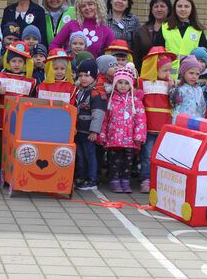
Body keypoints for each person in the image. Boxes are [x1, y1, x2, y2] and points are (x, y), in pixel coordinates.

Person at [102, 66, 146, 194]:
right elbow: (105, 119)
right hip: (114, 138)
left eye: (126, 83)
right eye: (120, 82)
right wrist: (103, 134)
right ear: (115, 83)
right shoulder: (111, 100)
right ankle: (115, 180)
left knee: (127, 161)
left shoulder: (135, 101)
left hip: (130, 139)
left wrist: (139, 135)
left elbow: (141, 118)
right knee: (114, 161)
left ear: (131, 84)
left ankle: (125, 180)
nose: (123, 86)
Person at [139, 47, 175, 192]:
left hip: (164, 127)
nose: (168, 74)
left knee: (162, 155)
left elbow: (176, 101)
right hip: (148, 127)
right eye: (165, 70)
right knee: (147, 155)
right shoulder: (143, 82)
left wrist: (172, 88)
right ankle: (146, 179)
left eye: (169, 71)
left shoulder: (170, 84)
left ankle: (159, 179)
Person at [49, 0, 115, 58]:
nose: (87, 8)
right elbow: (54, 45)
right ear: (79, 9)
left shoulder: (106, 31)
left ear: (97, 6)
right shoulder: (71, 25)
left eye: (90, 4)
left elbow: (111, 55)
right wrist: (63, 58)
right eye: (83, 6)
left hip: (92, 67)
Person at [73, 60, 105, 191]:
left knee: (90, 156)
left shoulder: (96, 93)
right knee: (80, 155)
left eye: (86, 75)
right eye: (80, 76)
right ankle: (81, 177)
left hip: (88, 132)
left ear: (94, 76)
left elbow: (98, 113)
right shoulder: (80, 91)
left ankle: (92, 180)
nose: (83, 78)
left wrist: (94, 131)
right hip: (79, 130)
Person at [162, 0, 207, 72]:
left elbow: (204, 57)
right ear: (175, 8)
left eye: (186, 6)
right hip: (168, 78)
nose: (183, 9)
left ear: (191, 9)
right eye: (179, 6)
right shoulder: (165, 27)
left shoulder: (197, 30)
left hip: (190, 79)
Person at [132, 0, 171, 68]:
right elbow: (136, 56)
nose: (159, 9)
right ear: (151, 10)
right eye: (156, 6)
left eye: (162, 6)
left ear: (168, 9)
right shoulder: (142, 31)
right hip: (146, 72)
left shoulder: (174, 30)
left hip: (167, 71)